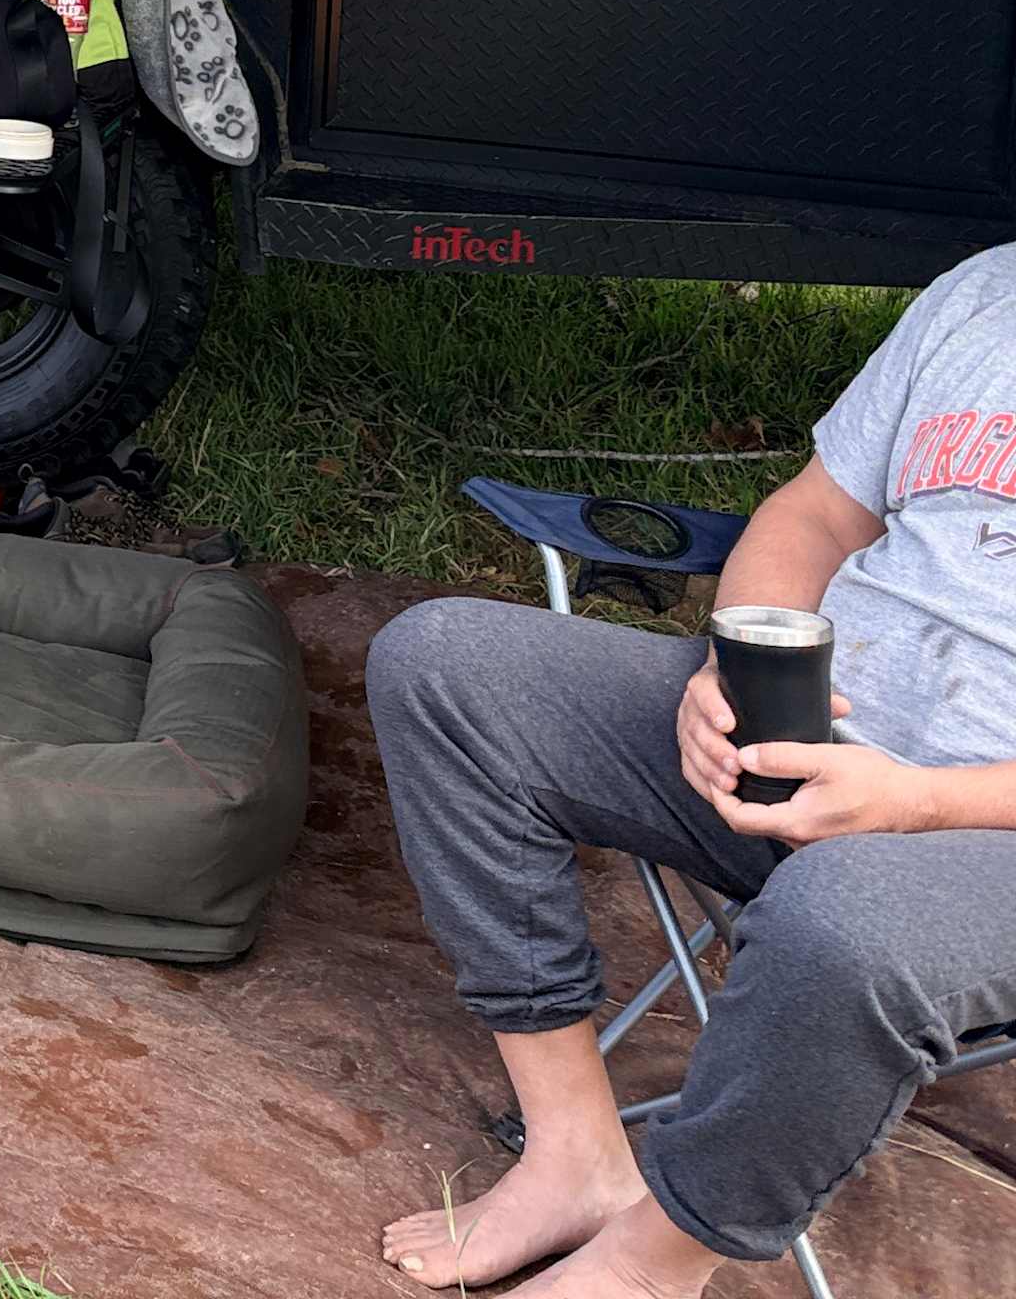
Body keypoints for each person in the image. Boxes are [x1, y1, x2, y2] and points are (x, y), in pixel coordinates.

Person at [367, 247, 1016, 1296]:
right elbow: (812, 516)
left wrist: (921, 803)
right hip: (801, 745)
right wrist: (734, 664)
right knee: (447, 667)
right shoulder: (988, 291)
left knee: (844, 918)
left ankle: (654, 1263)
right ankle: (573, 1150)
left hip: (983, 837)